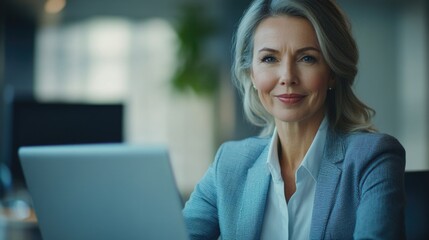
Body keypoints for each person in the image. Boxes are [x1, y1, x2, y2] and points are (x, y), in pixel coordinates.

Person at [183, 0, 406, 239]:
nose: (287, 77)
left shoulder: (373, 158)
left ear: (331, 72)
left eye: (307, 58)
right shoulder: (228, 164)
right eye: (269, 59)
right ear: (252, 74)